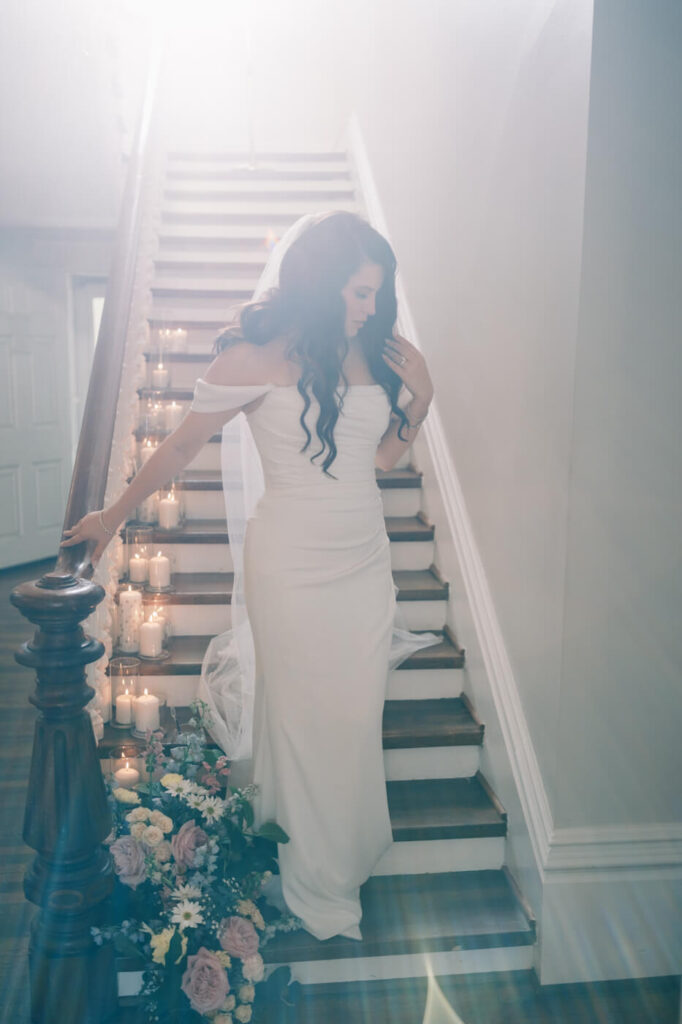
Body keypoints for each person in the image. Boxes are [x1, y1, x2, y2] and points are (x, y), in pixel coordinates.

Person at [61, 210, 436, 942]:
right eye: (359, 293)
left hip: (363, 563)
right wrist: (112, 515)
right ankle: (309, 872)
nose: (369, 309)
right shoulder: (254, 359)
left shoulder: (371, 356)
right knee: (300, 718)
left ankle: (340, 854)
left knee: (353, 718)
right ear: (324, 283)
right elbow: (176, 451)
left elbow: (382, 461)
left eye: (376, 294)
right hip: (291, 564)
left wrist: (421, 401)